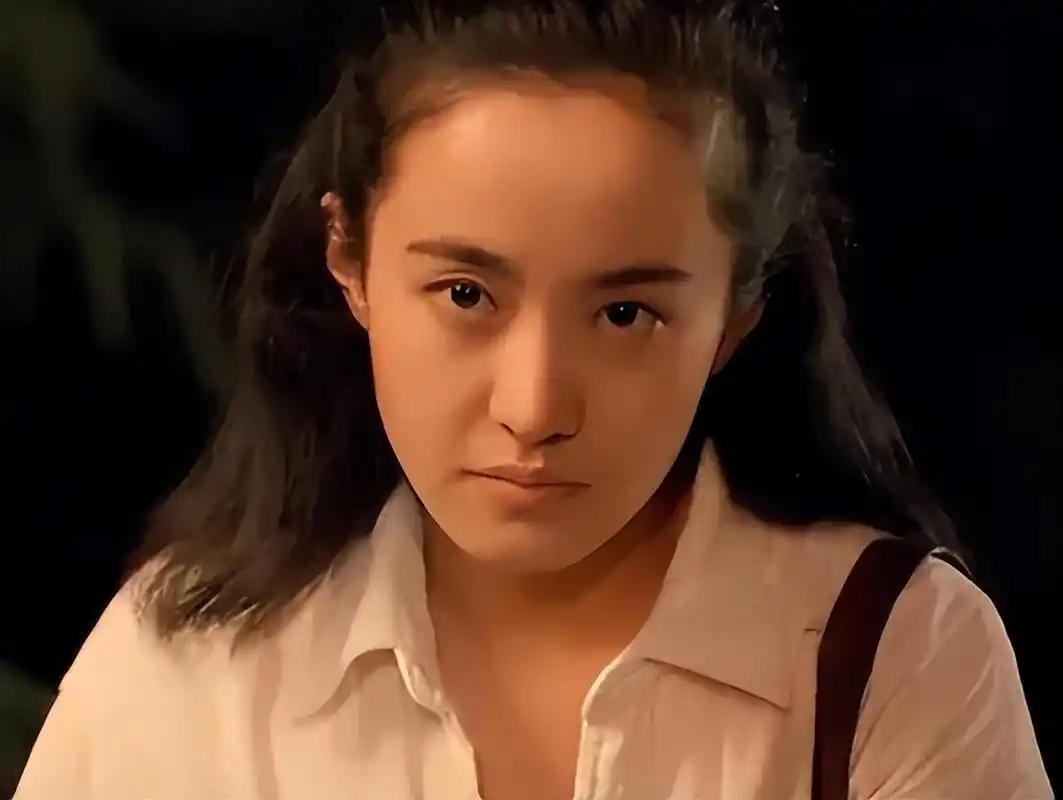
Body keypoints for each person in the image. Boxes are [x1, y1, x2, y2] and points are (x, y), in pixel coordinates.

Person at [14, 1, 1052, 798]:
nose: (534, 406)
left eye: (626, 314)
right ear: (350, 259)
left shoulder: (892, 659)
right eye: (465, 295)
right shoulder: (186, 666)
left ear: (734, 318)